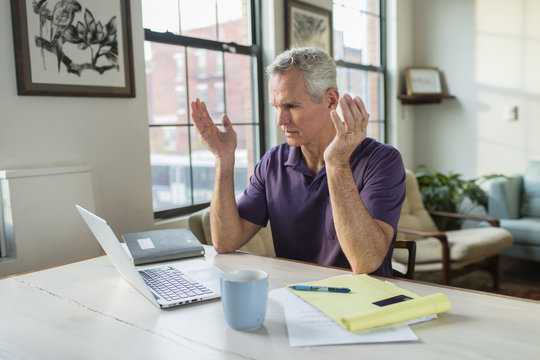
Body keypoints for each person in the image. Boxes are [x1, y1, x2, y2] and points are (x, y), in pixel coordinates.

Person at [190, 47, 405, 276]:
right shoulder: (273, 161)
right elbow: (225, 242)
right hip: (295, 297)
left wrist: (337, 164)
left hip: (363, 303)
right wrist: (223, 158)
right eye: (276, 107)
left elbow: (366, 262)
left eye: (291, 106)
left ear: (331, 100)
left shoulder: (382, 161)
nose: (281, 120)